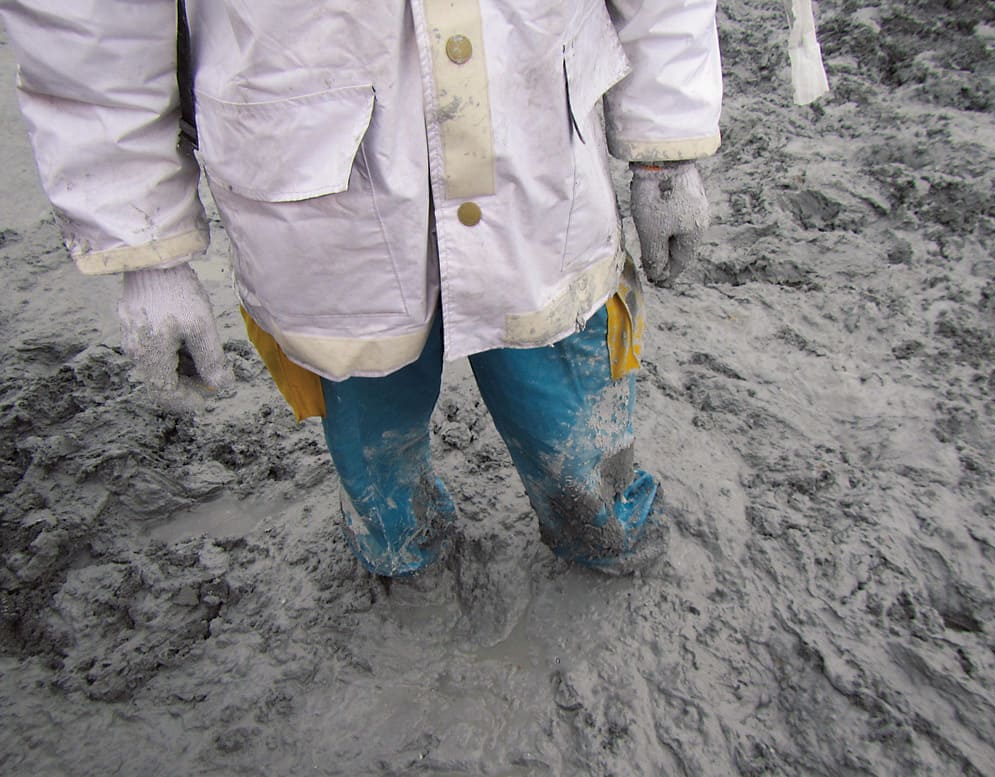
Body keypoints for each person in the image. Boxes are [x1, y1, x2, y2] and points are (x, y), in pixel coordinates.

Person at [0, 1, 826, 579]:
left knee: (577, 429)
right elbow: (87, 21)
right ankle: (406, 560)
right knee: (374, 448)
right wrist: (140, 242)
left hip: (535, 147)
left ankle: (602, 536)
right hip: (315, 182)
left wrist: (665, 141)